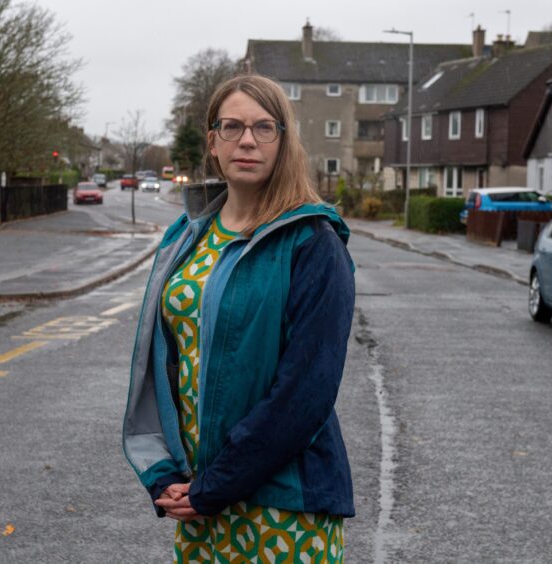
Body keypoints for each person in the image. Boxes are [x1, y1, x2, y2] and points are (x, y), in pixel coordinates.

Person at [123, 74, 356, 562]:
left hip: (285, 507)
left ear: (283, 141)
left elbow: (306, 392)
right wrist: (166, 474)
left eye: (264, 127)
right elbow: (163, 369)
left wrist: (219, 485)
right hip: (200, 497)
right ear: (212, 141)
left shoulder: (313, 241)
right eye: (232, 127)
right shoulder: (186, 237)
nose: (247, 140)